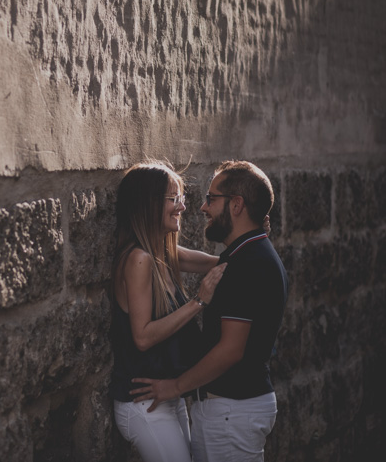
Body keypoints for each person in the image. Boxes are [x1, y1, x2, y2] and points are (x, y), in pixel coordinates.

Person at [131, 160, 288, 462]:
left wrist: (175, 387)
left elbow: (230, 350)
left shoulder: (247, 264)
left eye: (211, 199)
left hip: (232, 412)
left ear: (237, 205)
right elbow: (179, 257)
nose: (203, 208)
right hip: (233, 410)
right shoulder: (246, 255)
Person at [110, 161, 227, 462]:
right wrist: (198, 302)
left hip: (167, 395)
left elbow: (212, 263)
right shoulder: (139, 259)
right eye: (174, 200)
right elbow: (143, 338)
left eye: (181, 199)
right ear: (149, 204)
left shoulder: (161, 252)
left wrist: (252, 243)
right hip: (143, 405)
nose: (182, 207)